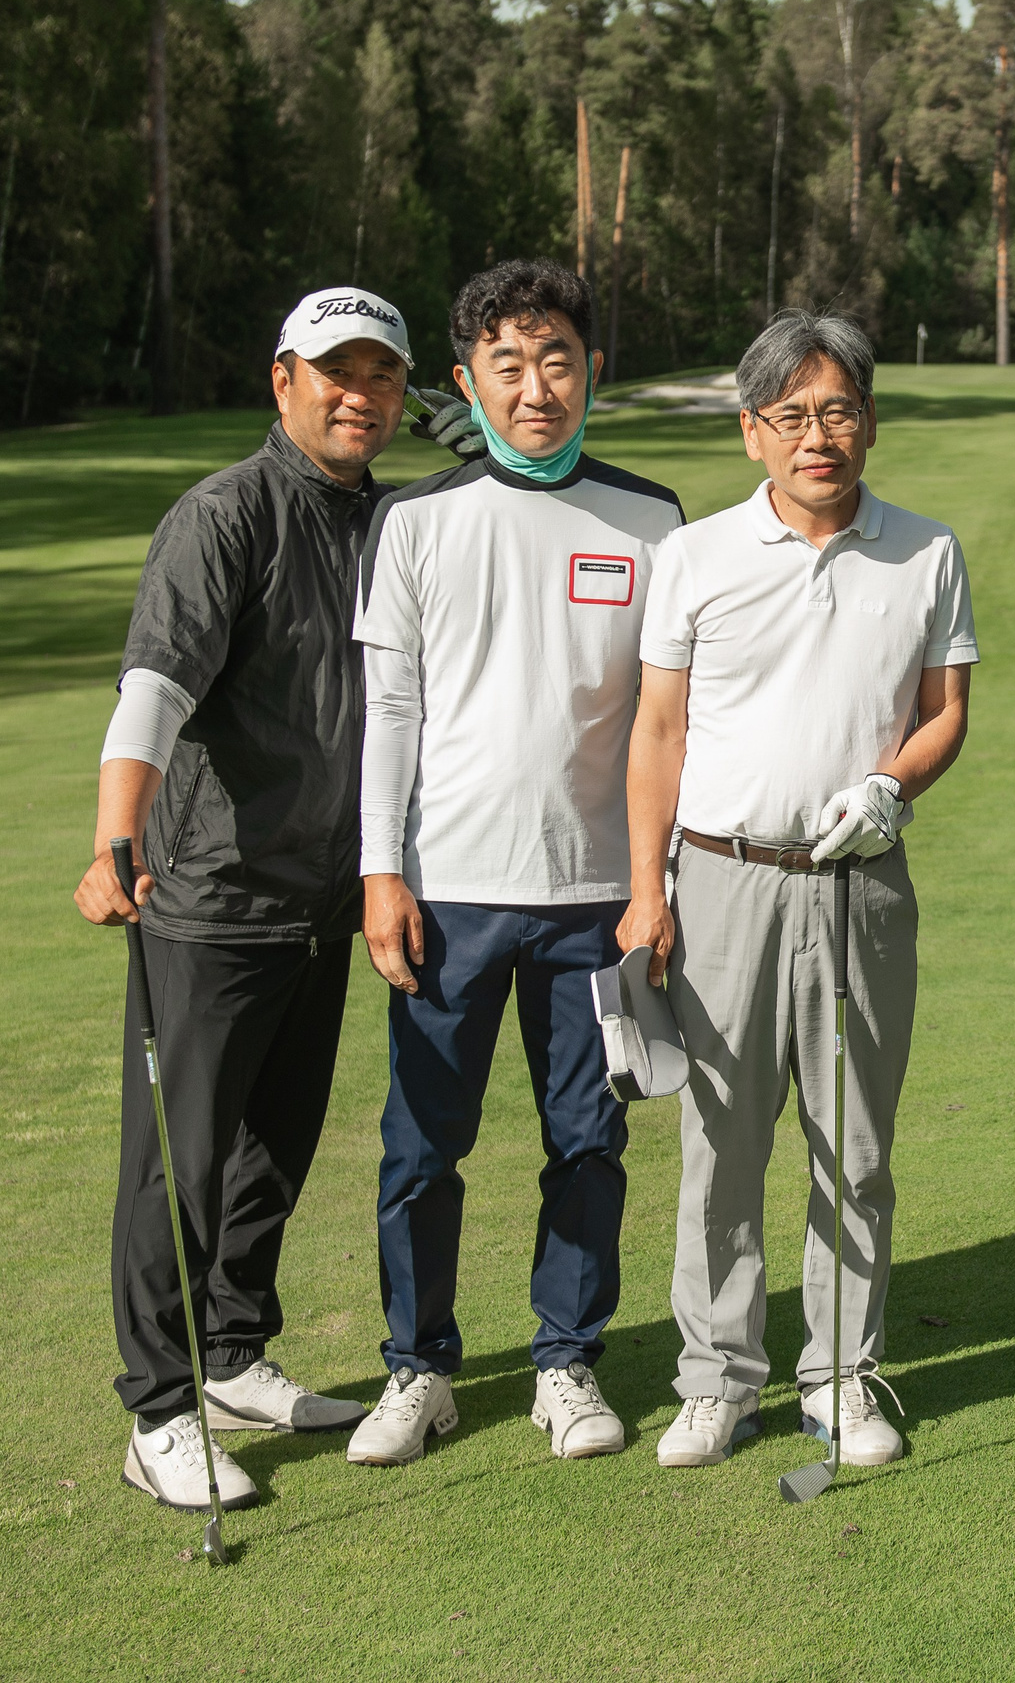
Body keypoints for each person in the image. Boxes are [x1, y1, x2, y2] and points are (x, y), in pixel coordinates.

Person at [75, 287, 448, 1516]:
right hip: (208, 898)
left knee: (268, 1155)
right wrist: (113, 833)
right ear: (280, 380)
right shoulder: (223, 515)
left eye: (382, 377)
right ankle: (158, 1405)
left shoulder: (393, 516)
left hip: (321, 897)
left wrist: (461, 424)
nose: (361, 395)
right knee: (176, 1166)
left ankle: (233, 1357)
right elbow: (154, 686)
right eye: (334, 372)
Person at [620, 311, 976, 1470]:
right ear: (751, 433)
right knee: (722, 1142)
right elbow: (658, 731)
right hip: (721, 880)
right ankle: (716, 1378)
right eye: (790, 416)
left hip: (858, 887)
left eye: (837, 410)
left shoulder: (927, 552)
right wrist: (646, 890)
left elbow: (944, 712)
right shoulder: (696, 556)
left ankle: (841, 1372)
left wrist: (890, 783)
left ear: (867, 422)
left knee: (853, 1141)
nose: (816, 435)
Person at [347, 259, 684, 1467]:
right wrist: (380, 874)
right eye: (507, 364)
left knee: (587, 1140)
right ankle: (418, 1367)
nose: (535, 387)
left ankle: (566, 1359)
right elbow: (390, 709)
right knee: (421, 1148)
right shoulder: (417, 520)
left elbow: (667, 719)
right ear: (466, 381)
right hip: (446, 892)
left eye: (557, 360)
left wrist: (660, 883)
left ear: (592, 370)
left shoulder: (652, 520)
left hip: (599, 897)